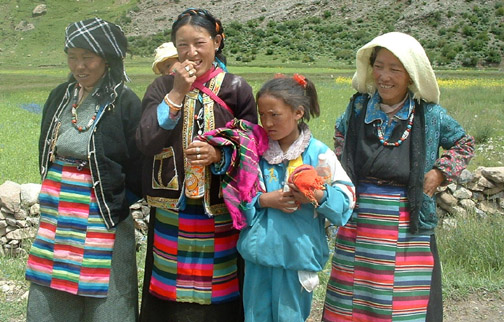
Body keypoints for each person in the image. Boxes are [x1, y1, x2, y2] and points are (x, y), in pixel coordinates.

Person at [322, 32, 475, 322]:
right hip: (360, 219)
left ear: (411, 74)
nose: (384, 76)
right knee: (352, 300)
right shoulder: (357, 108)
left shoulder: (429, 115)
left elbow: (464, 143)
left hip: (407, 221)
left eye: (395, 69)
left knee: (403, 305)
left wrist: (438, 173)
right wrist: (344, 168)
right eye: (379, 66)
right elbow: (340, 133)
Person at [136, 8, 258, 322]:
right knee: (168, 284)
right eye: (182, 45)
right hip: (171, 207)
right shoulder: (162, 87)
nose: (191, 53)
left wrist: (220, 154)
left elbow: (254, 141)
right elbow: (146, 140)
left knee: (220, 286)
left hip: (218, 208)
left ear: (217, 42)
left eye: (200, 43)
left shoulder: (236, 88)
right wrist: (177, 92)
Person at [25, 18, 142, 321]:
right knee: (52, 289)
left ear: (107, 58)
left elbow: (140, 163)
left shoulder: (125, 103)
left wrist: (114, 200)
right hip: (57, 214)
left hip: (103, 213)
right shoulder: (60, 97)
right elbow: (45, 147)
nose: (79, 65)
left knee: (108, 297)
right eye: (72, 56)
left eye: (87, 57)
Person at [236, 74, 356, 322]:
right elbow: (237, 196)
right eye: (262, 115)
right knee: (255, 317)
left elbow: (346, 200)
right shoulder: (254, 153)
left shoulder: (320, 155)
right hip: (259, 257)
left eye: (275, 114)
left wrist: (318, 195)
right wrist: (265, 200)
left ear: (298, 112)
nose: (267, 123)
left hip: (297, 257)